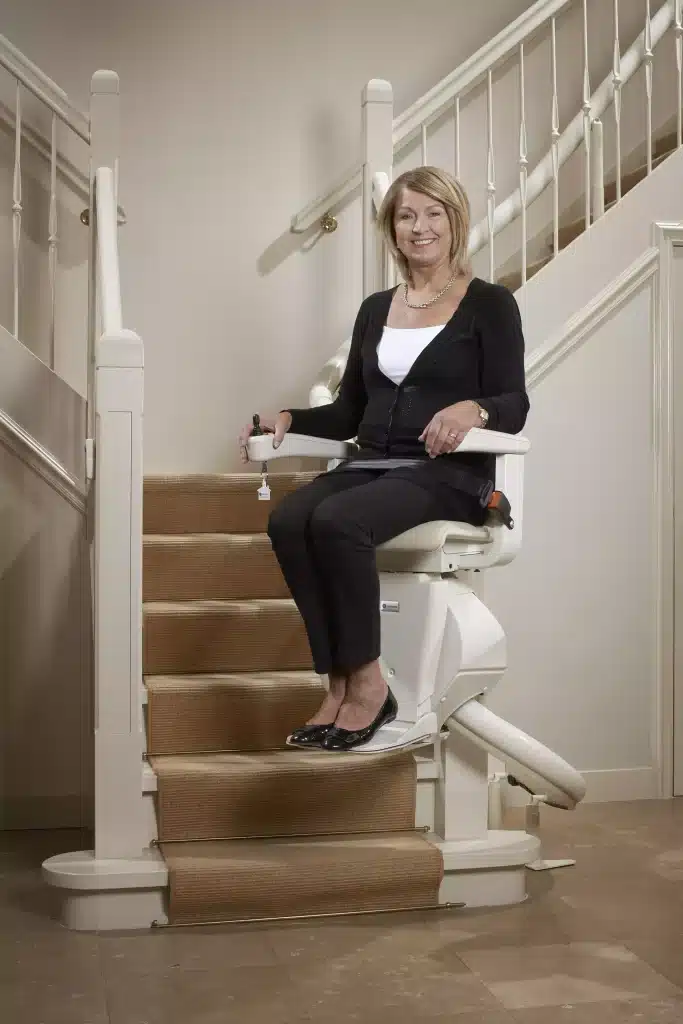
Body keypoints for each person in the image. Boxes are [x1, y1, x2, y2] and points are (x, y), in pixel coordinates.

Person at [239, 166, 529, 753]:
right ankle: (339, 681)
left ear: (454, 224)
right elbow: (349, 412)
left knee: (339, 522)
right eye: (405, 215)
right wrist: (293, 420)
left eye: (432, 214)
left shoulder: (489, 304)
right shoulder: (376, 309)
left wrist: (473, 408)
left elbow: (514, 402)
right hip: (372, 464)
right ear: (391, 230)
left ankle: (370, 684)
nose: (419, 227)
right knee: (289, 520)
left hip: (448, 474)